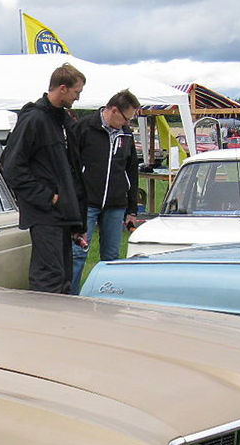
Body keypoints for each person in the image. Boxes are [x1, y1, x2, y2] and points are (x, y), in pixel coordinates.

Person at [1, 62, 87, 293]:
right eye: (77, 92)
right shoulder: (34, 120)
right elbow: (10, 166)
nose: (78, 98)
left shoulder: (61, 122)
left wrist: (76, 217)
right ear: (62, 88)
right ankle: (42, 325)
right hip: (44, 213)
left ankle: (59, 325)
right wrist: (47, 197)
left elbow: (71, 170)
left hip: (62, 215)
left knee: (63, 277)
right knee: (48, 278)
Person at [71, 89, 140, 293]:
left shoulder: (126, 134)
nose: (127, 123)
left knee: (112, 257)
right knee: (78, 253)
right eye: (126, 118)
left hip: (116, 204)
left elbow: (132, 170)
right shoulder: (84, 128)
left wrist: (132, 208)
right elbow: (72, 165)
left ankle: (106, 299)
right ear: (114, 111)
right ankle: (70, 297)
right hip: (87, 203)